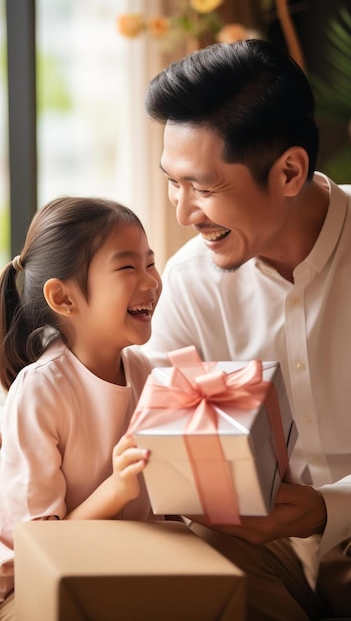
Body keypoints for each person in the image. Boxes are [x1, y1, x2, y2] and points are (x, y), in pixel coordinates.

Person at [143, 39, 351, 620]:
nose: (183, 213)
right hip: (265, 549)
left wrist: (327, 508)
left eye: (203, 188)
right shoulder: (187, 282)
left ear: (289, 171)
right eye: (173, 182)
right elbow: (162, 434)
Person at [0, 196, 162, 619]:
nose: (151, 281)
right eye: (128, 267)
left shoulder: (148, 375)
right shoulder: (40, 391)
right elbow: (40, 548)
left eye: (150, 262)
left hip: (130, 566)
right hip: (37, 580)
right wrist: (117, 490)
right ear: (64, 298)